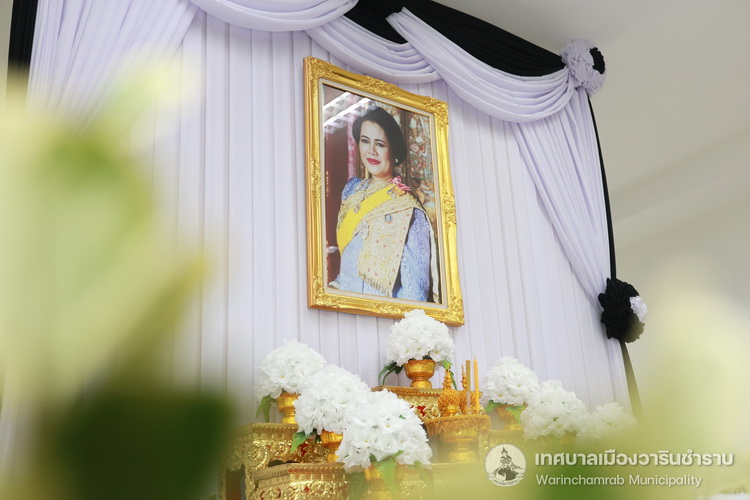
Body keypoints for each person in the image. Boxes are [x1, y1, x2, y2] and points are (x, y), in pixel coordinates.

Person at [329, 106, 438, 302]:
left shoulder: (408, 208)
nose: (371, 151)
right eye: (365, 141)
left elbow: (415, 288)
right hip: (343, 303)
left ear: (393, 149)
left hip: (378, 310)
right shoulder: (352, 190)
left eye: (380, 144)